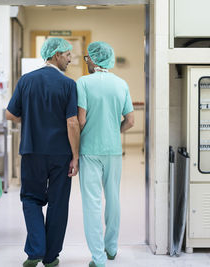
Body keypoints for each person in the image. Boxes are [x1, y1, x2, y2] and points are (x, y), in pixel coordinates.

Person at [5, 37, 80, 267]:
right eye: (67, 54)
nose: (70, 59)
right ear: (56, 55)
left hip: (32, 150)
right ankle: (50, 257)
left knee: (31, 198)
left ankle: (35, 250)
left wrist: (30, 120)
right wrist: (75, 156)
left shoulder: (26, 81)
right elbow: (72, 123)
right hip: (60, 154)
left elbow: (10, 114)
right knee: (58, 203)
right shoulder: (68, 85)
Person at [77, 41, 134, 267]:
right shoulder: (121, 84)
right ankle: (111, 248)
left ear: (93, 59)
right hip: (113, 150)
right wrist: (113, 131)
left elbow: (80, 119)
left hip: (89, 150)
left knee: (92, 203)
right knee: (113, 198)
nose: (87, 61)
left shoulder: (83, 82)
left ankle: (98, 258)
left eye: (87, 58)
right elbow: (130, 121)